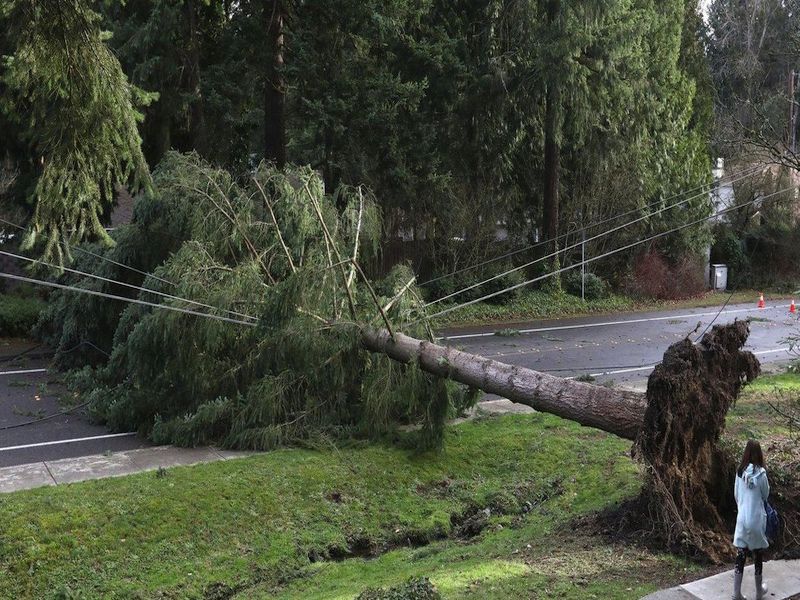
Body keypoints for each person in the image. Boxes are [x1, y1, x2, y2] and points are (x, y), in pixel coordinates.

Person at [732, 439, 770, 600]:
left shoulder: (739, 472)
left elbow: (736, 494)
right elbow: (765, 495)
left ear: (746, 453)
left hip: (742, 518)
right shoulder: (762, 474)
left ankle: (737, 594)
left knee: (740, 555)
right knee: (758, 556)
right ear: (759, 454)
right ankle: (759, 593)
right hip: (756, 519)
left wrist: (742, 505)